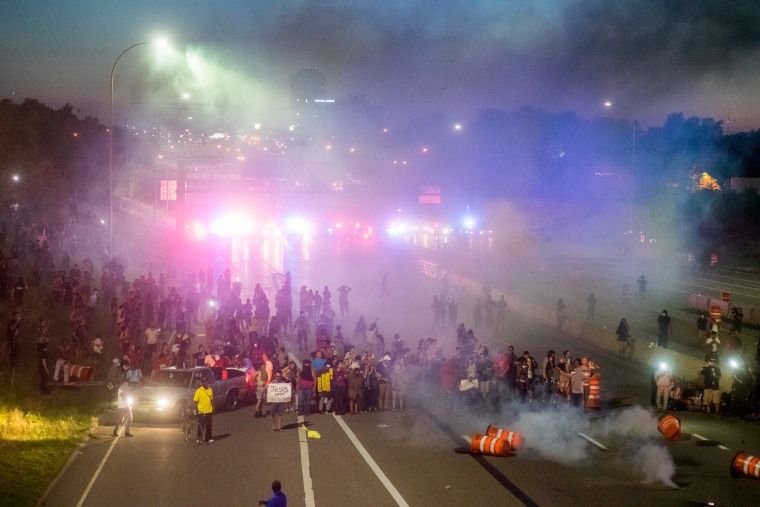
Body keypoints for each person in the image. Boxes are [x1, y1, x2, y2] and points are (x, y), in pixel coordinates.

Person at [193, 376, 214, 443]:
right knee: (201, 425)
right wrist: (195, 409)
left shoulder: (210, 390)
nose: (206, 383)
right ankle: (199, 438)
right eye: (204, 382)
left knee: (209, 425)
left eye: (207, 381)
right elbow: (195, 401)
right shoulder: (198, 391)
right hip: (201, 411)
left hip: (209, 410)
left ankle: (208, 438)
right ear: (202, 383)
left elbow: (212, 399)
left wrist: (213, 406)